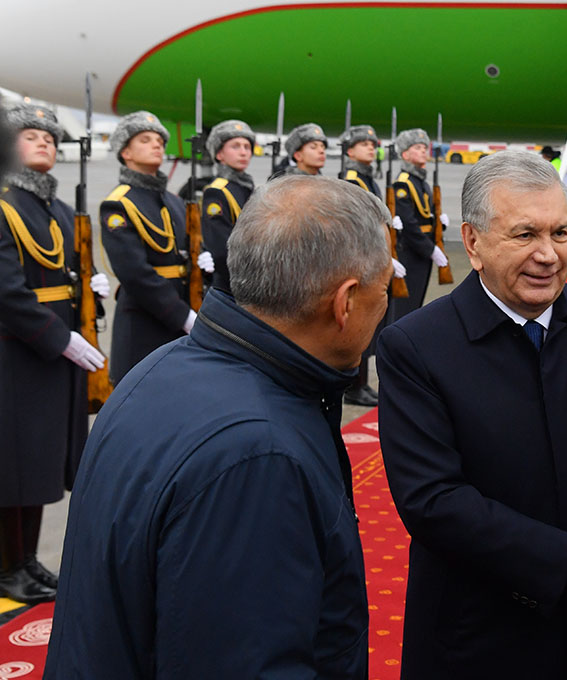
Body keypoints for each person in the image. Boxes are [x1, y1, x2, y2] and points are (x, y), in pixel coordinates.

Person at [44, 175, 391, 678]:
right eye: (382, 290)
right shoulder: (257, 455)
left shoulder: (161, 366)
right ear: (345, 301)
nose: (385, 306)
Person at [376, 150, 567, 679]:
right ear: (472, 243)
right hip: (480, 639)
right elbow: (432, 501)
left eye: (561, 233)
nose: (549, 255)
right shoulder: (416, 345)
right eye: (525, 235)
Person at [0, 104, 109, 603]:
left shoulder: (58, 209)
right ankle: (6, 568)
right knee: (12, 466)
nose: (44, 141)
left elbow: (67, 275)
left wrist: (92, 291)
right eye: (30, 135)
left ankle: (26, 561)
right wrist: (57, 337)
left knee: (41, 463)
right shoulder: (3, 204)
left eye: (49, 136)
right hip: (16, 354)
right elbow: (6, 291)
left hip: (52, 352)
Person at [100, 111, 200, 383]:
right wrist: (182, 316)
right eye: (145, 139)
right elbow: (134, 273)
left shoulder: (174, 201)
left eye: (159, 140)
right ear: (126, 152)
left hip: (183, 319)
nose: (157, 144)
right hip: (145, 325)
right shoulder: (119, 204)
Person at [339, 124, 403, 406]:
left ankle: (361, 383)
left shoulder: (367, 177)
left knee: (368, 322)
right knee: (358, 320)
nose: (370, 147)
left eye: (372, 144)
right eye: (363, 144)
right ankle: (353, 385)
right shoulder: (352, 179)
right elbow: (355, 224)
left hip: (372, 255)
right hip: (359, 258)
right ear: (350, 150)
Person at [389, 127, 448, 321]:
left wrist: (440, 225)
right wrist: (431, 249)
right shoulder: (403, 184)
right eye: (417, 147)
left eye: (425, 147)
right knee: (405, 307)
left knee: (415, 303)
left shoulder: (420, 181)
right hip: (410, 252)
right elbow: (409, 224)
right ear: (405, 154)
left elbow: (423, 218)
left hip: (421, 253)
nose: (424, 150)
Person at [200, 119, 255, 295]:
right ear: (219, 155)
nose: (243, 152)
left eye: (247, 147)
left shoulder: (248, 187)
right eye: (235, 146)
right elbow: (221, 250)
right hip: (231, 286)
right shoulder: (217, 192)